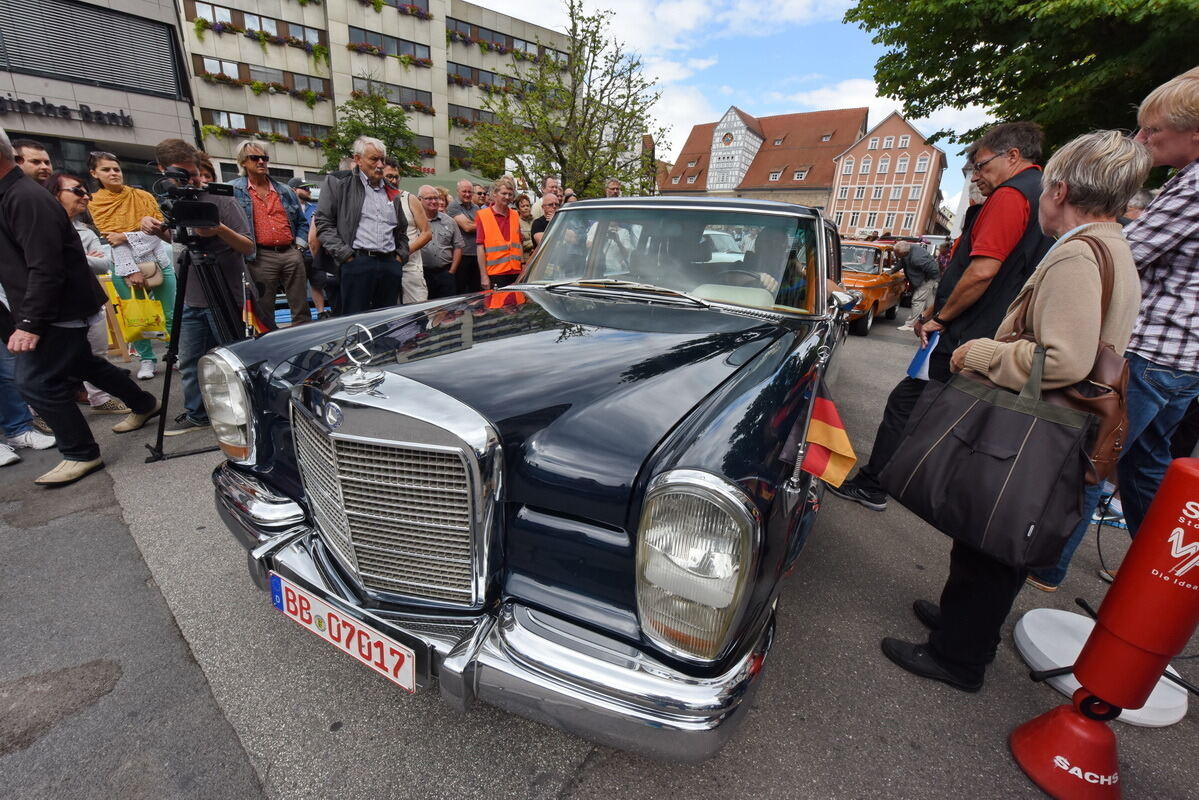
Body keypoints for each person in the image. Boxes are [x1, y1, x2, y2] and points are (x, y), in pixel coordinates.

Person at [881, 130, 1150, 690]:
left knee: (994, 529)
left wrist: (982, 351)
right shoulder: (1111, 244)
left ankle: (959, 655)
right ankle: (962, 625)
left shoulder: (1079, 251)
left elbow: (1065, 359)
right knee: (993, 529)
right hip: (1054, 421)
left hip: (1035, 418)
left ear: (1062, 189)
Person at [829, 121, 1054, 511]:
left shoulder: (1010, 196)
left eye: (982, 166)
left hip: (968, 332)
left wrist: (941, 318)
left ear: (1013, 156)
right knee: (946, 411)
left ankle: (878, 484)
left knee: (909, 404)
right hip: (993, 329)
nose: (977, 176)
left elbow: (982, 270)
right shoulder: (1044, 197)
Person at [0, 127, 160, 485]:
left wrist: (29, 322)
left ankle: (80, 453)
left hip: (55, 309)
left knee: (37, 381)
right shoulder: (16, 196)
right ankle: (145, 404)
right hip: (51, 307)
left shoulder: (24, 198)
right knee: (85, 363)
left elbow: (46, 265)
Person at [1114, 66, 1199, 537]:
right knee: (1144, 466)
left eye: (1153, 130)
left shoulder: (1192, 183)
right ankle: (1163, 568)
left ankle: (1045, 564)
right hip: (1182, 357)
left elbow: (1128, 254)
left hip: (1154, 352)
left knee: (1091, 458)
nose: (1142, 139)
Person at [139, 138, 254, 436]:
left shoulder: (221, 199)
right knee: (189, 360)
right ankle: (197, 413)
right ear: (164, 172)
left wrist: (218, 229)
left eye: (196, 174)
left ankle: (248, 414)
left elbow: (247, 246)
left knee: (231, 359)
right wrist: (158, 229)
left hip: (224, 293)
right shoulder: (171, 200)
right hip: (190, 294)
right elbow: (181, 242)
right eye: (185, 176)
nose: (193, 181)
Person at [47, 171, 134, 415]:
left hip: (90, 301)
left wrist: (74, 256)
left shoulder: (86, 231)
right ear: (55, 194)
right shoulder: (43, 226)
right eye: (77, 191)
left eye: (85, 191)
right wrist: (84, 258)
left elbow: (104, 264)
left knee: (97, 355)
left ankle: (100, 398)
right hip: (56, 308)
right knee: (53, 363)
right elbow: (49, 260)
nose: (85, 196)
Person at [88, 151, 177, 380]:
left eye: (116, 169)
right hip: (124, 266)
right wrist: (132, 269)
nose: (113, 173)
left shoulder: (143, 196)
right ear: (94, 173)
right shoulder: (96, 202)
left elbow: (158, 232)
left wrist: (125, 236)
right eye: (106, 169)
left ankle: (175, 353)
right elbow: (111, 239)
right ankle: (146, 359)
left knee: (170, 311)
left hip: (158, 259)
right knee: (136, 315)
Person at [314, 136, 410, 315]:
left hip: (389, 264)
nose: (381, 164)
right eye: (374, 159)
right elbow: (323, 222)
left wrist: (399, 258)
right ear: (358, 159)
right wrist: (346, 256)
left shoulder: (391, 189)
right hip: (357, 262)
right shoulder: (340, 183)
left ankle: (384, 345)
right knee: (356, 321)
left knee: (386, 322)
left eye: (382, 159)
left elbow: (402, 230)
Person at [230, 141, 310, 329]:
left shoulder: (284, 191)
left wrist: (298, 248)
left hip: (290, 252)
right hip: (260, 255)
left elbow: (302, 222)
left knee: (301, 307)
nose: (261, 162)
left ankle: (305, 343)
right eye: (254, 158)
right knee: (264, 307)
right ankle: (269, 347)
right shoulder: (234, 190)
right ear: (243, 162)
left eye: (264, 158)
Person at [476, 177, 523, 290]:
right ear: (494, 194)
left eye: (510, 194)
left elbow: (519, 243)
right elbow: (480, 247)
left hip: (515, 272)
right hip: (495, 273)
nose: (507, 197)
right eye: (504, 193)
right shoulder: (483, 215)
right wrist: (483, 276)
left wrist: (523, 267)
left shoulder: (515, 215)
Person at [418, 184, 462, 299]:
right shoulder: (414, 221)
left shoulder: (450, 221)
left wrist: (451, 271)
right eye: (429, 198)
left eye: (436, 198)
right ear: (419, 200)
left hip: (445, 273)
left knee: (448, 312)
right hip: (422, 274)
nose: (434, 201)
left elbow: (458, 246)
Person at [396, 177, 431, 304]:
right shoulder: (374, 199)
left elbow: (426, 233)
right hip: (385, 267)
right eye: (389, 177)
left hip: (410, 268)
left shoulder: (409, 198)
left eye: (396, 176)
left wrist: (403, 254)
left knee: (418, 314)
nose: (393, 180)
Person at [895, 241, 940, 331]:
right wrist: (892, 271)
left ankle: (911, 324)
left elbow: (933, 270)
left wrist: (926, 281)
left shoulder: (917, 258)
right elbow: (902, 263)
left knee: (917, 300)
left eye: (897, 254)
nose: (896, 255)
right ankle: (930, 321)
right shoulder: (908, 250)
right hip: (926, 280)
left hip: (927, 280)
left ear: (904, 253)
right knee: (929, 302)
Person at [447, 179, 481, 293]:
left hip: (476, 254)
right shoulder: (453, 206)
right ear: (458, 191)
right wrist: (481, 225)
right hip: (462, 255)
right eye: (464, 191)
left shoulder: (476, 207)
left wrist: (474, 224)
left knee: (475, 290)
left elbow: (472, 225)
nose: (467, 194)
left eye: (470, 192)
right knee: (461, 290)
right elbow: (467, 227)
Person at [516, 194, 535, 258]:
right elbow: (518, 243)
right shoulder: (516, 222)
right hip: (524, 258)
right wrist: (534, 243)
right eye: (523, 206)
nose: (526, 208)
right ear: (518, 209)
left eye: (527, 205)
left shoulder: (535, 221)